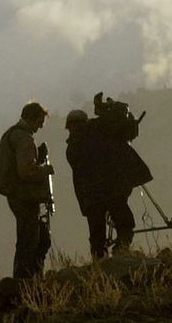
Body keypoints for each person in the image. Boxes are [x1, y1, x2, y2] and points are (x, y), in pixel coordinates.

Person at [0, 102, 53, 278]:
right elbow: (26, 171)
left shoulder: (12, 134)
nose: (41, 126)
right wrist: (45, 169)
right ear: (32, 118)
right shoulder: (24, 139)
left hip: (15, 194)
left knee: (37, 237)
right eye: (40, 121)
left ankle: (29, 277)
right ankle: (25, 280)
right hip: (23, 196)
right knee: (29, 240)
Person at [65, 109, 137, 259]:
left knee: (97, 234)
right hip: (112, 190)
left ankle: (100, 264)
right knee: (124, 223)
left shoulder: (72, 148)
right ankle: (121, 252)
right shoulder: (101, 134)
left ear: (69, 126)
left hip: (91, 197)